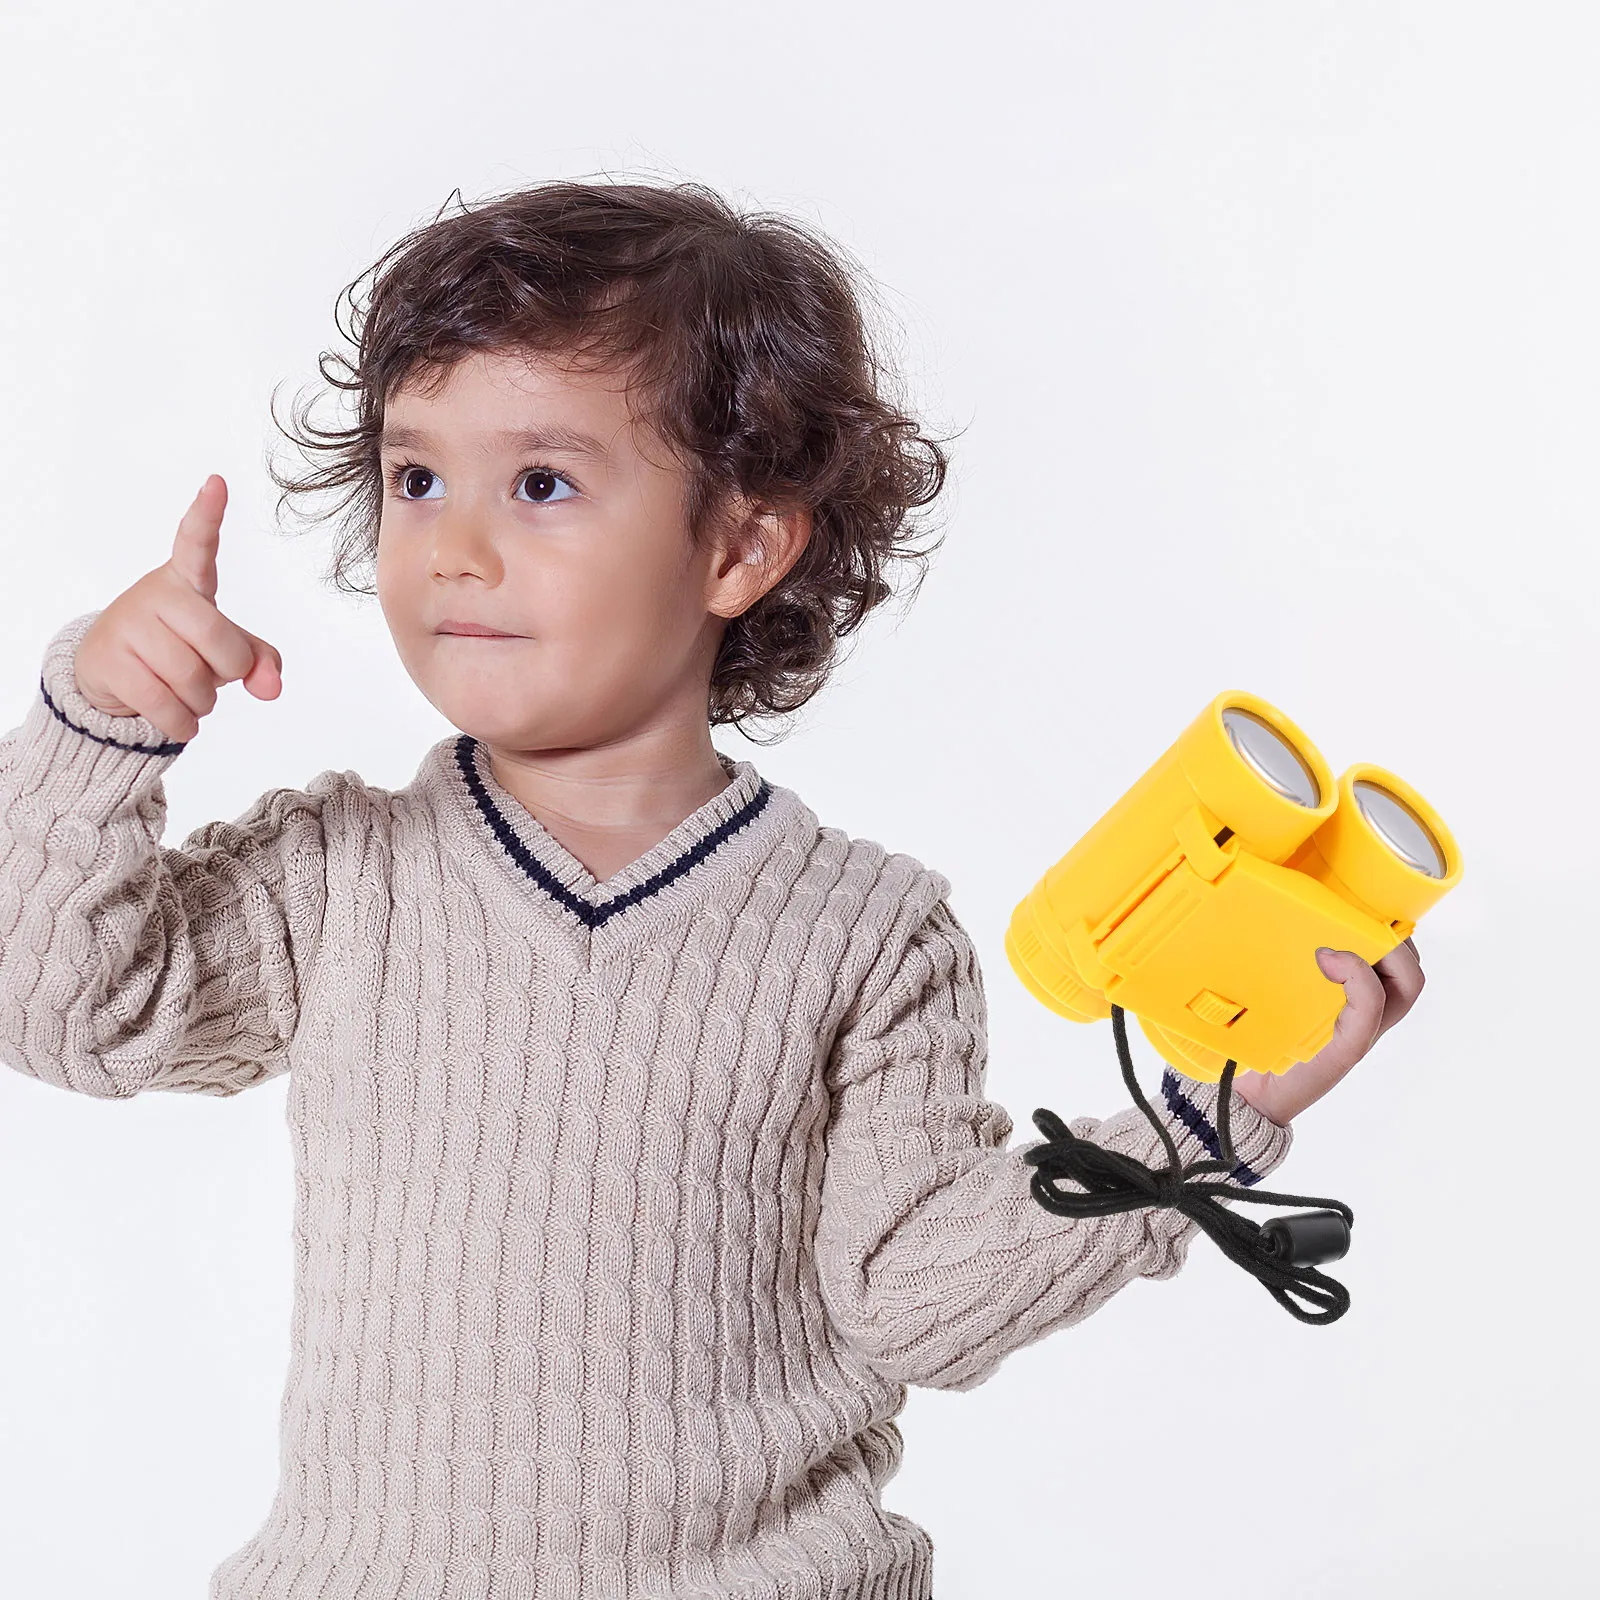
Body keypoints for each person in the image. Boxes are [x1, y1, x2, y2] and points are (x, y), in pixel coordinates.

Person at [0, 177, 1426, 1600]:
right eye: (415, 477)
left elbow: (918, 1303)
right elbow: (72, 1014)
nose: (454, 544)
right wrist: (96, 726)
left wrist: (1211, 1118)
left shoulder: (865, 934)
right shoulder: (334, 878)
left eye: (542, 484)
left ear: (741, 547)